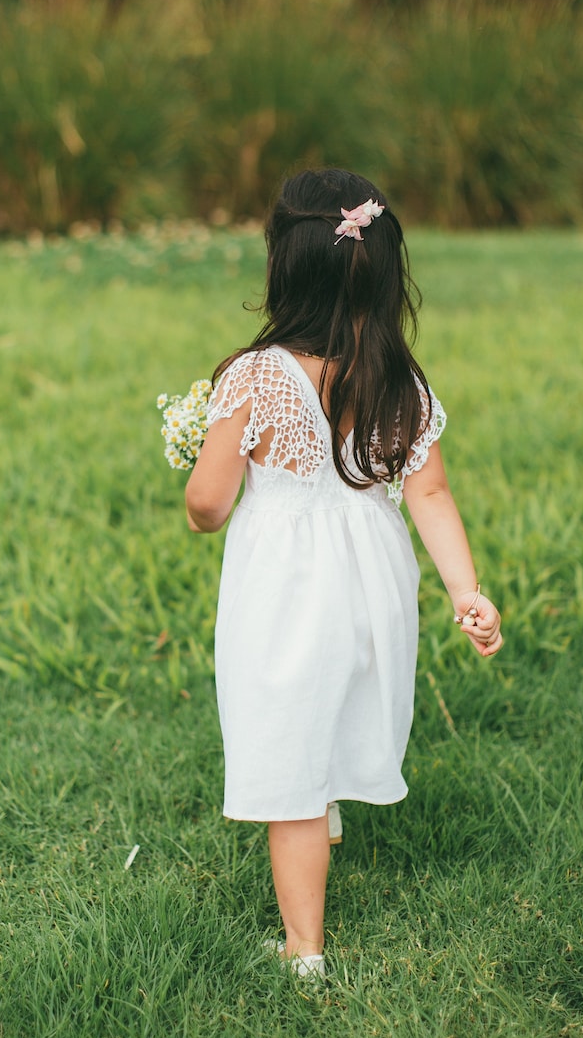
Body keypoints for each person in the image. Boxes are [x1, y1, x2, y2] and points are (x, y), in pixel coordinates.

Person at [184, 168, 502, 980]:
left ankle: (304, 951)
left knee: (289, 757)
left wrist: (206, 451)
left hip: (288, 593)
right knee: (328, 710)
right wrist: (467, 590)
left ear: (282, 270)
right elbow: (428, 491)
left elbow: (207, 508)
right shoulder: (399, 378)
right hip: (373, 588)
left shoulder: (252, 380)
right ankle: (320, 817)